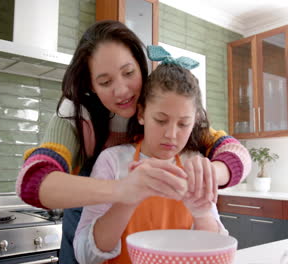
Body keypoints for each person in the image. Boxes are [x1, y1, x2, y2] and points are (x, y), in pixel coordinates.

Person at [16, 20, 251, 264]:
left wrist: (207, 176)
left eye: (128, 73)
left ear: (141, 66)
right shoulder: (77, 116)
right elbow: (32, 181)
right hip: (91, 205)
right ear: (91, 86)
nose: (122, 91)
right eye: (105, 82)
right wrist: (124, 190)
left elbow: (236, 154)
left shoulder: (167, 106)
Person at [74, 48, 229, 264]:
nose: (171, 135)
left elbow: (215, 254)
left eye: (184, 124)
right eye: (161, 120)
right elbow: (84, 256)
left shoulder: (194, 164)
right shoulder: (112, 161)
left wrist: (202, 213)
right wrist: (127, 199)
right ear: (141, 114)